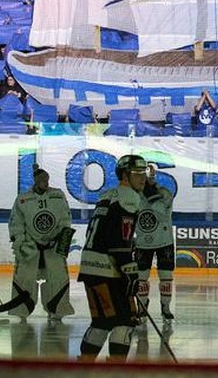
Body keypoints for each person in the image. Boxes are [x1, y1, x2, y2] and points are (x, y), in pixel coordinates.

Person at [77, 154, 149, 360]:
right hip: (108, 269)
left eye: (143, 173)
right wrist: (130, 270)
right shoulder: (129, 197)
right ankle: (116, 369)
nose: (142, 178)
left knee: (102, 322)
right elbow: (118, 238)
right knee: (125, 321)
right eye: (137, 173)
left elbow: (103, 230)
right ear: (125, 176)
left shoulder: (107, 195)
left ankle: (84, 365)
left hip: (90, 267)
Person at [9, 166, 75, 321]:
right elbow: (16, 223)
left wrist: (63, 239)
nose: (45, 182)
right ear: (36, 181)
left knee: (58, 278)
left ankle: (56, 309)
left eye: (47, 180)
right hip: (30, 246)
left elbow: (65, 218)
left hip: (53, 246)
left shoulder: (58, 196)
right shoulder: (23, 199)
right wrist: (20, 242)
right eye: (42, 180)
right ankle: (22, 310)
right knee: (24, 278)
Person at [135, 164, 177, 320]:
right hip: (142, 242)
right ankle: (142, 306)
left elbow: (163, 213)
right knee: (141, 277)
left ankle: (165, 307)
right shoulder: (134, 195)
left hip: (164, 242)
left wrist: (151, 195)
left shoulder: (164, 193)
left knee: (166, 276)